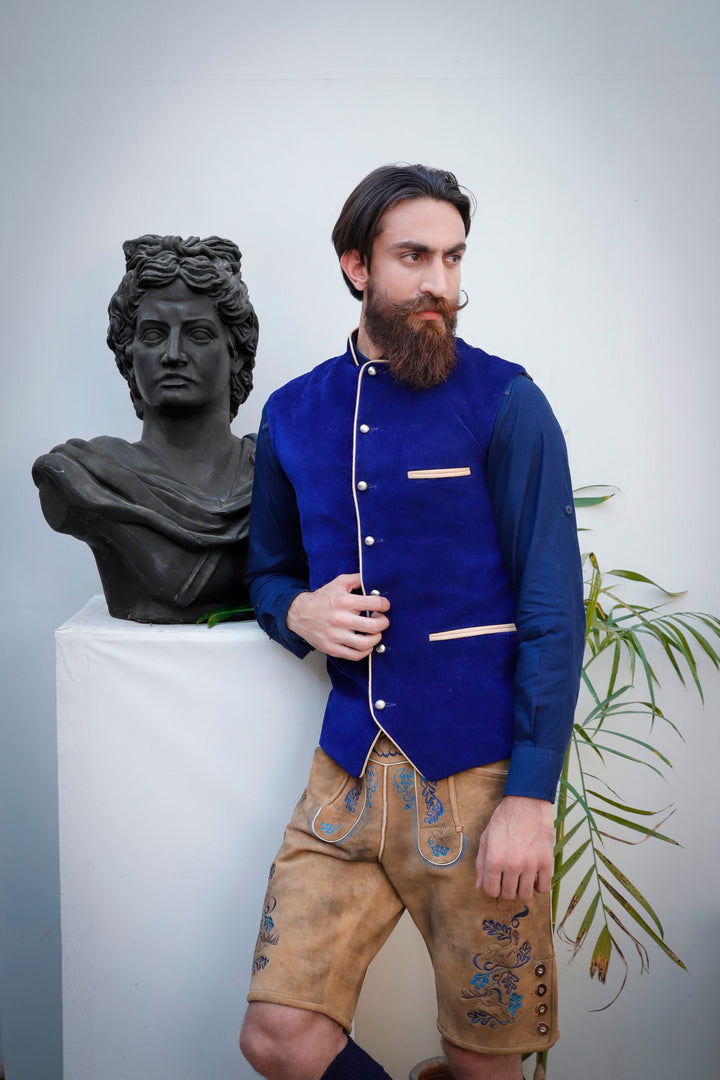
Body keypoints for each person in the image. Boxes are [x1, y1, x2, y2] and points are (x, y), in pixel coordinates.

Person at [240, 165, 585, 1080]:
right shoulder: (291, 413)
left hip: (480, 785)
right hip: (344, 773)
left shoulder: (509, 401)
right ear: (357, 267)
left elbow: (554, 607)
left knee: (484, 1065)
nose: (441, 281)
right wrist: (298, 611)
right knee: (279, 1037)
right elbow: (266, 574)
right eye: (414, 256)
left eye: (453, 257)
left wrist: (532, 797)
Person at [32, 235, 259, 623]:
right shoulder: (84, 476)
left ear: (235, 352)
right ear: (128, 352)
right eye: (153, 335)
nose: (173, 354)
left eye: (198, 334)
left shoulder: (272, 474)